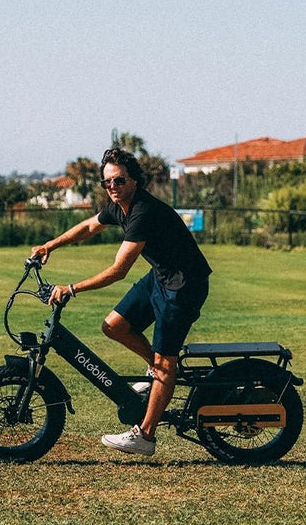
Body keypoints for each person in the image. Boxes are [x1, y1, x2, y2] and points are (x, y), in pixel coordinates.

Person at [30, 148, 211, 456]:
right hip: (161, 276)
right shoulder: (120, 206)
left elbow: (118, 270)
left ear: (134, 181)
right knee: (115, 325)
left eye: (118, 180)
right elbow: (89, 227)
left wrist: (71, 289)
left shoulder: (142, 211)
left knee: (166, 363)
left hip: (184, 285)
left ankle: (145, 435)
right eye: (107, 182)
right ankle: (156, 371)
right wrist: (50, 245)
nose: (112, 186)